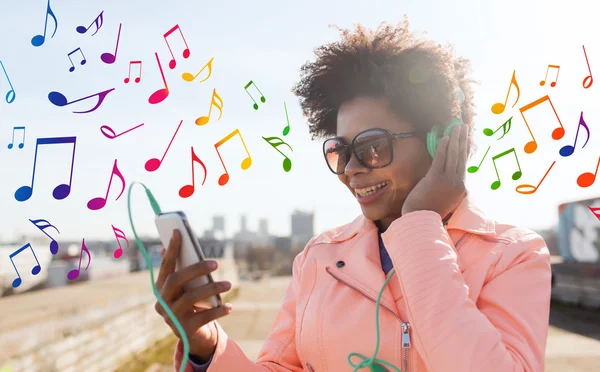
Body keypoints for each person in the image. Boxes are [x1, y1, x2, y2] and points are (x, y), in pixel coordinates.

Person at [155, 17, 552, 372]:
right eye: (339, 151)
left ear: (441, 141)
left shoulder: (511, 255)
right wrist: (208, 350)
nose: (350, 169)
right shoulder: (319, 258)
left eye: (373, 146)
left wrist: (417, 226)